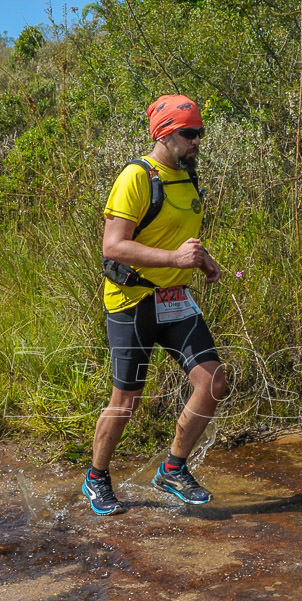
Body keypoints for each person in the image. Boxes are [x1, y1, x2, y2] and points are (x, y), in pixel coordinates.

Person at [82, 94, 227, 516]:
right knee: (126, 401)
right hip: (133, 300)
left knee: (213, 382)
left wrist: (201, 259)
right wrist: (173, 259)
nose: (198, 140)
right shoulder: (137, 176)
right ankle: (96, 477)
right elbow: (113, 245)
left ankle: (172, 468)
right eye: (189, 133)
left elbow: (177, 235)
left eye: (200, 132)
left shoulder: (188, 177)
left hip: (176, 299)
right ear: (165, 133)